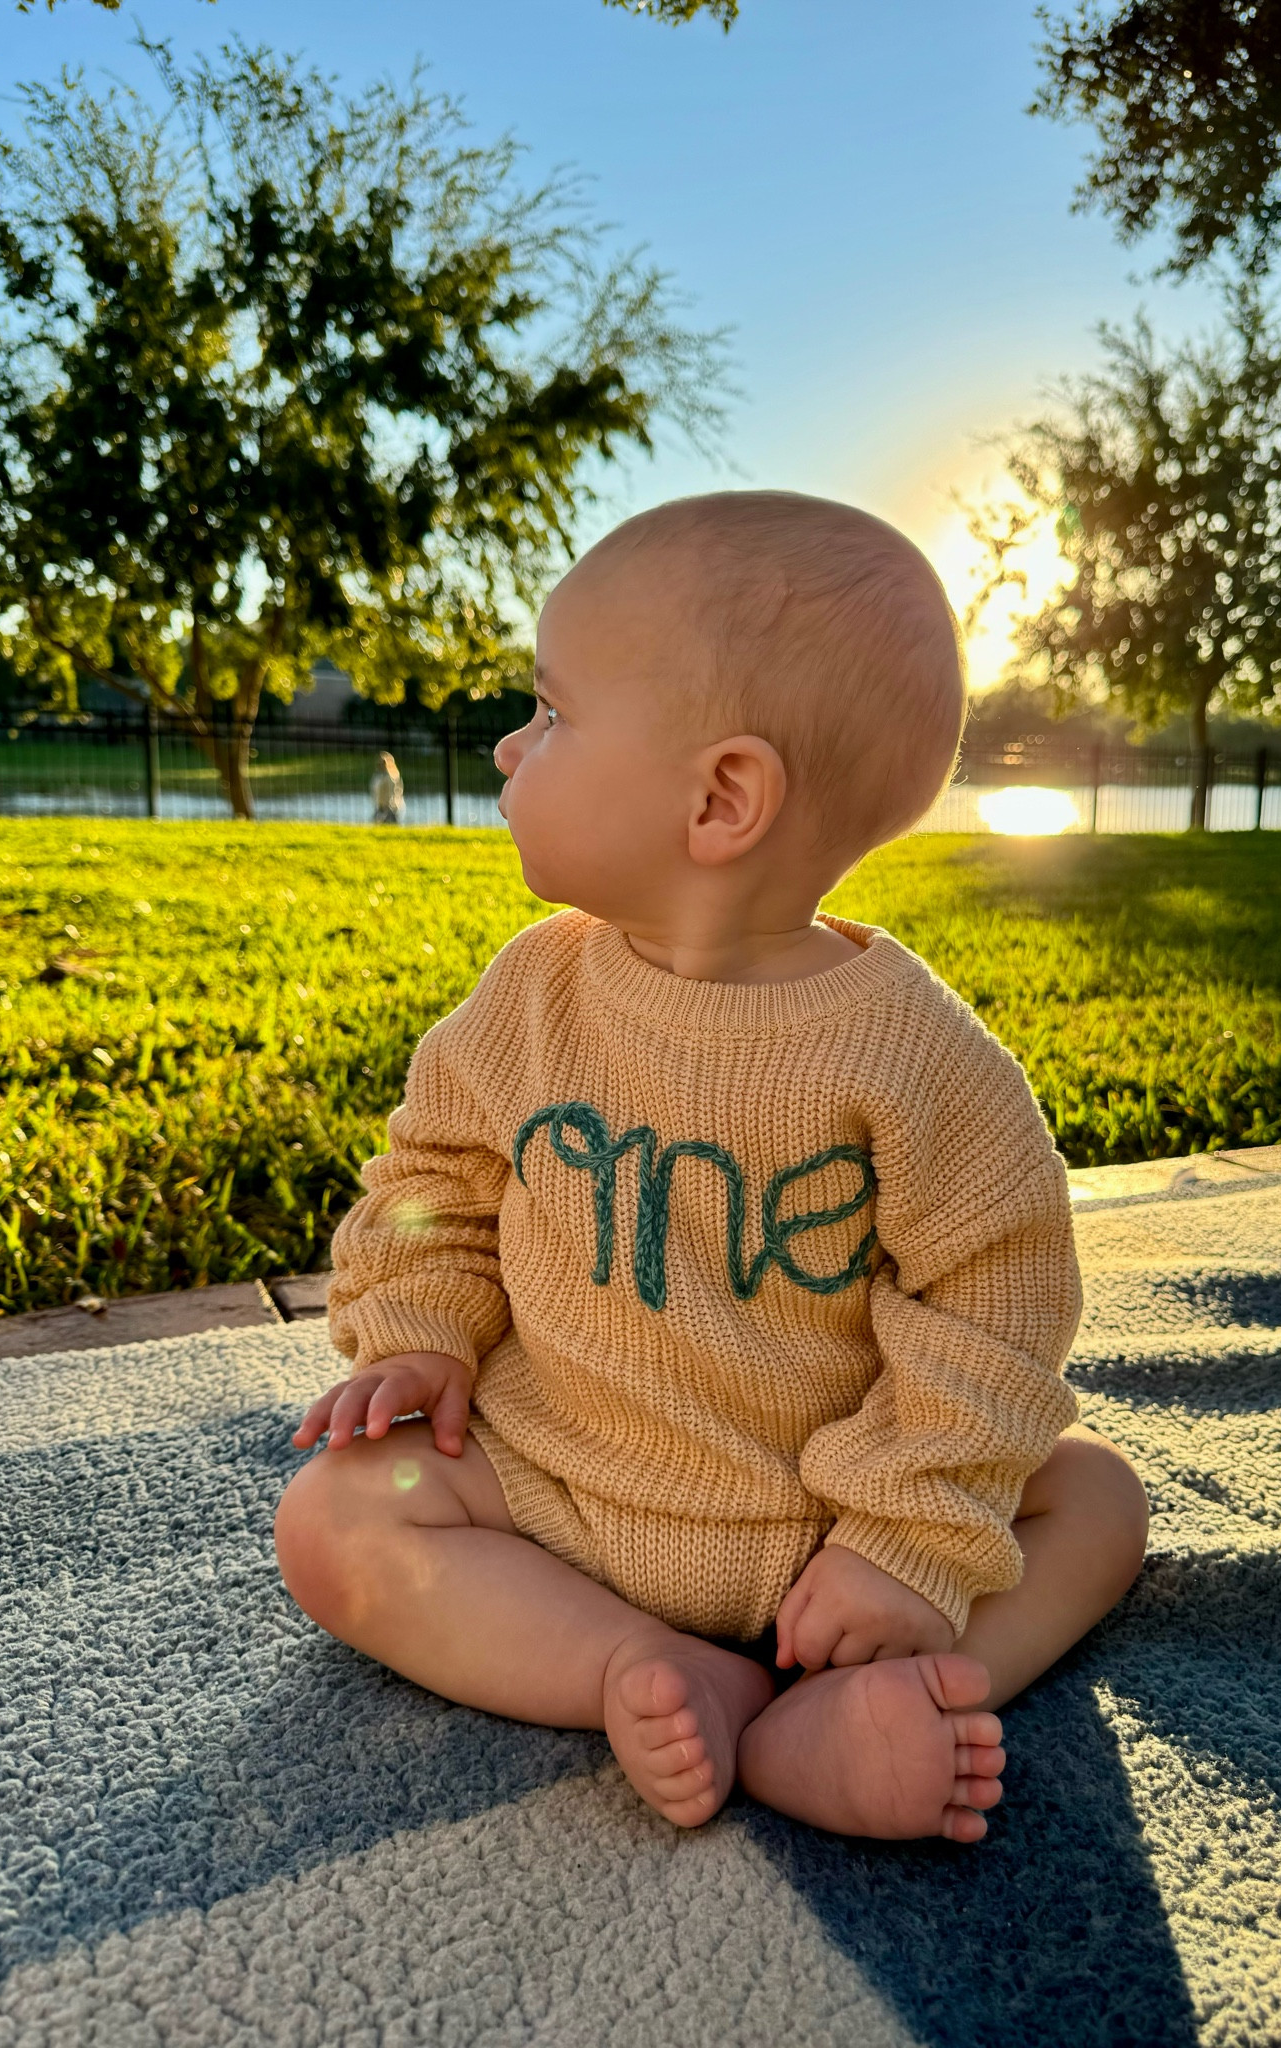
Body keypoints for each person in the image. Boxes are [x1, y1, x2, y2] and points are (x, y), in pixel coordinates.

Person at [275, 492, 1149, 1843]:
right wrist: (420, 1334)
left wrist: (907, 1542)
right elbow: (432, 1179)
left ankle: (870, 1692)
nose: (512, 744)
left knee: (1095, 1499)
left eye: (553, 713)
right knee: (331, 1520)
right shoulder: (532, 995)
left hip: (829, 1530)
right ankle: (642, 1667)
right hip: (554, 1489)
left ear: (722, 797)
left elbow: (995, 1312)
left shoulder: (915, 1056)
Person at [370, 751, 405, 825]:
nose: (380, 765)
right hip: (380, 807)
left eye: (382, 763)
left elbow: (395, 793)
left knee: (390, 825)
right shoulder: (378, 776)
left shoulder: (392, 777)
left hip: (390, 808)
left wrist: (391, 806)